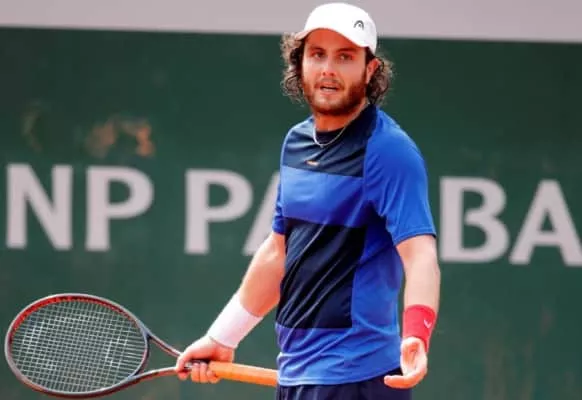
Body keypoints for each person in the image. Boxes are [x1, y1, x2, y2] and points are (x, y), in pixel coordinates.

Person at [175, 2, 441, 399]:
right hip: (299, 372)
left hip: (357, 378)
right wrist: (222, 337)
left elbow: (420, 255)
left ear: (370, 70)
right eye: (317, 54)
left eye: (345, 57)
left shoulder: (388, 151)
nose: (328, 69)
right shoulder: (297, 142)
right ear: (299, 64)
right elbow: (278, 251)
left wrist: (416, 334)